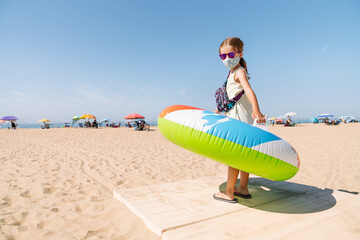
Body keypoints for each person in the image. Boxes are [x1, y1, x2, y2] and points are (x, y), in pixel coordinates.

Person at [213, 37, 265, 203]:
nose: (227, 59)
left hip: (239, 121)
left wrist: (256, 109)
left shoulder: (239, 71)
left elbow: (249, 90)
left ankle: (229, 192)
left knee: (233, 157)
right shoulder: (231, 73)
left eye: (231, 54)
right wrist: (216, 111)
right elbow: (231, 100)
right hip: (237, 119)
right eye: (223, 56)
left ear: (240, 54)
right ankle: (242, 188)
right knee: (243, 157)